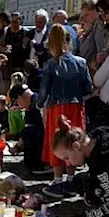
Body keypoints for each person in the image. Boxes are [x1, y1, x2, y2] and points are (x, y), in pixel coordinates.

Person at [36, 25, 93, 196]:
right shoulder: (81, 62)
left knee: (58, 142)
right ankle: (71, 181)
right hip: (76, 107)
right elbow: (88, 88)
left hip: (57, 107)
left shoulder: (50, 64)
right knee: (74, 142)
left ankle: (57, 182)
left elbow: (44, 91)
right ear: (69, 41)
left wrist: (39, 104)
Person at [9, 81, 49, 176]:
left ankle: (43, 164)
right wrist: (18, 147)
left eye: (17, 103)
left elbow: (32, 128)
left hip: (48, 136)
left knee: (29, 132)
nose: (19, 106)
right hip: (43, 133)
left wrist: (18, 146)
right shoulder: (31, 103)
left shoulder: (37, 103)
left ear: (20, 98)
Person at [0, 13, 34, 94]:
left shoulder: (25, 32)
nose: (13, 24)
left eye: (15, 21)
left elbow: (31, 47)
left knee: (19, 89)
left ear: (20, 21)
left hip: (21, 65)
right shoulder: (6, 31)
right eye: (12, 21)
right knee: (4, 90)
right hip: (7, 65)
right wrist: (3, 49)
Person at [77, 0, 109, 74]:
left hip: (95, 72)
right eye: (83, 16)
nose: (84, 19)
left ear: (96, 12)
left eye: (87, 15)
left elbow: (101, 51)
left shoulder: (100, 28)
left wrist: (95, 63)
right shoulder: (92, 28)